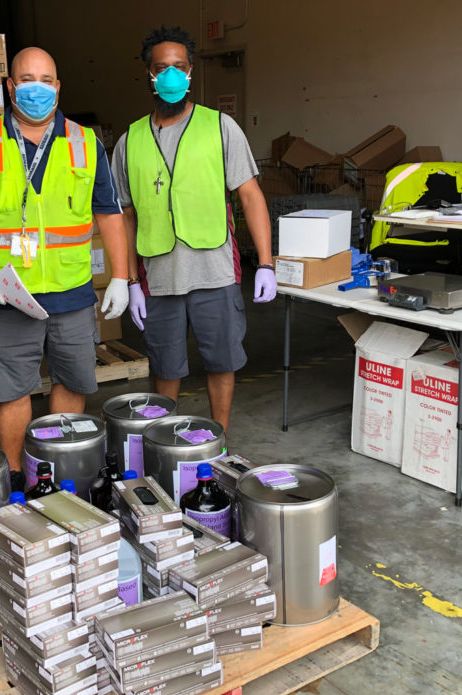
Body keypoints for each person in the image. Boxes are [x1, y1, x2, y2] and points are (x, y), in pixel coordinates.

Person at [0, 47, 129, 491]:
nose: (36, 89)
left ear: (58, 87)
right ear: (10, 87)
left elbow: (109, 213)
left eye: (46, 80)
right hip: (9, 295)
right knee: (11, 389)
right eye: (26, 79)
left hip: (71, 291)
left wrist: (122, 275)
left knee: (72, 380)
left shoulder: (85, 142)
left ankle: (59, 469)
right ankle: (16, 477)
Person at [111, 26, 275, 433]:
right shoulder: (128, 142)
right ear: (148, 74)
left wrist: (268, 263)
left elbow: (250, 196)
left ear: (190, 74)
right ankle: (163, 441)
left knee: (222, 360)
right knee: (165, 366)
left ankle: (218, 439)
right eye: (161, 68)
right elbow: (125, 217)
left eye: (179, 67)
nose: (170, 75)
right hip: (159, 276)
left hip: (214, 272)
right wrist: (129, 279)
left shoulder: (220, 128)